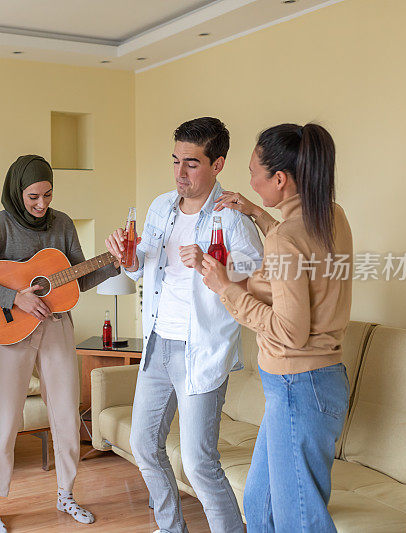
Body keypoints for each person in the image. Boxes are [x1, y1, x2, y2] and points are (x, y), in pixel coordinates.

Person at [106, 117, 263, 533]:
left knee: (198, 462)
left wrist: (216, 264)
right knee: (143, 443)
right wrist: (129, 260)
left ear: (218, 164)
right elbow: (144, 267)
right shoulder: (161, 206)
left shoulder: (231, 218)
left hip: (203, 348)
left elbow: (260, 275)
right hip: (158, 342)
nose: (180, 173)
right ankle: (171, 527)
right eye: (175, 161)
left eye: (191, 163)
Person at [201, 123, 353, 532]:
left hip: (298, 386)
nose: (249, 180)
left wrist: (226, 289)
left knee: (298, 522)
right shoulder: (330, 216)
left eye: (254, 172)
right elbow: (300, 254)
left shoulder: (288, 238)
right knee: (260, 503)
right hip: (315, 383)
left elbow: (289, 331)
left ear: (280, 179)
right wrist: (255, 212)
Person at [0, 154, 117, 533]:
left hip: (57, 326)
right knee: (5, 418)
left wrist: (116, 262)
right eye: (33, 197)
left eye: (47, 195)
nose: (42, 205)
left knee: (65, 411)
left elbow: (78, 279)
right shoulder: (1, 224)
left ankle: (66, 494)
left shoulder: (62, 224)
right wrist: (16, 299)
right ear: (17, 192)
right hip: (11, 333)